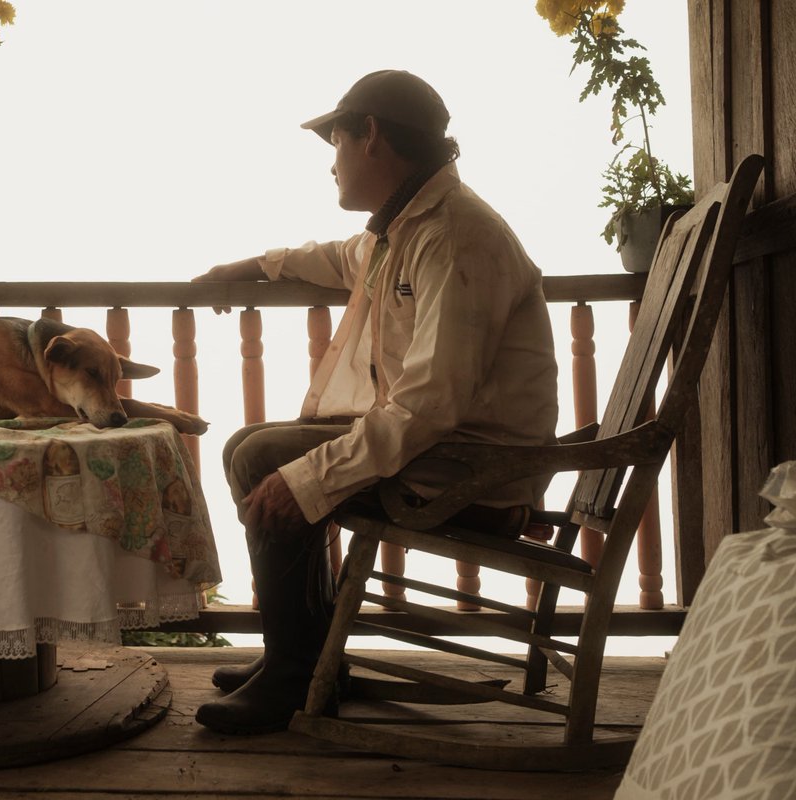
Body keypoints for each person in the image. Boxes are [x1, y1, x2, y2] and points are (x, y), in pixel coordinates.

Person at [190, 70, 559, 735]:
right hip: (450, 452)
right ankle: (301, 660)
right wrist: (247, 267)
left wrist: (308, 477)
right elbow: (338, 257)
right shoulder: (407, 228)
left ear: (370, 136)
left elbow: (430, 405)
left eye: (334, 145)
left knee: (270, 457)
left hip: (472, 471)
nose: (330, 167)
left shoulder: (456, 236)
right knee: (249, 448)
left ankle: (296, 673)